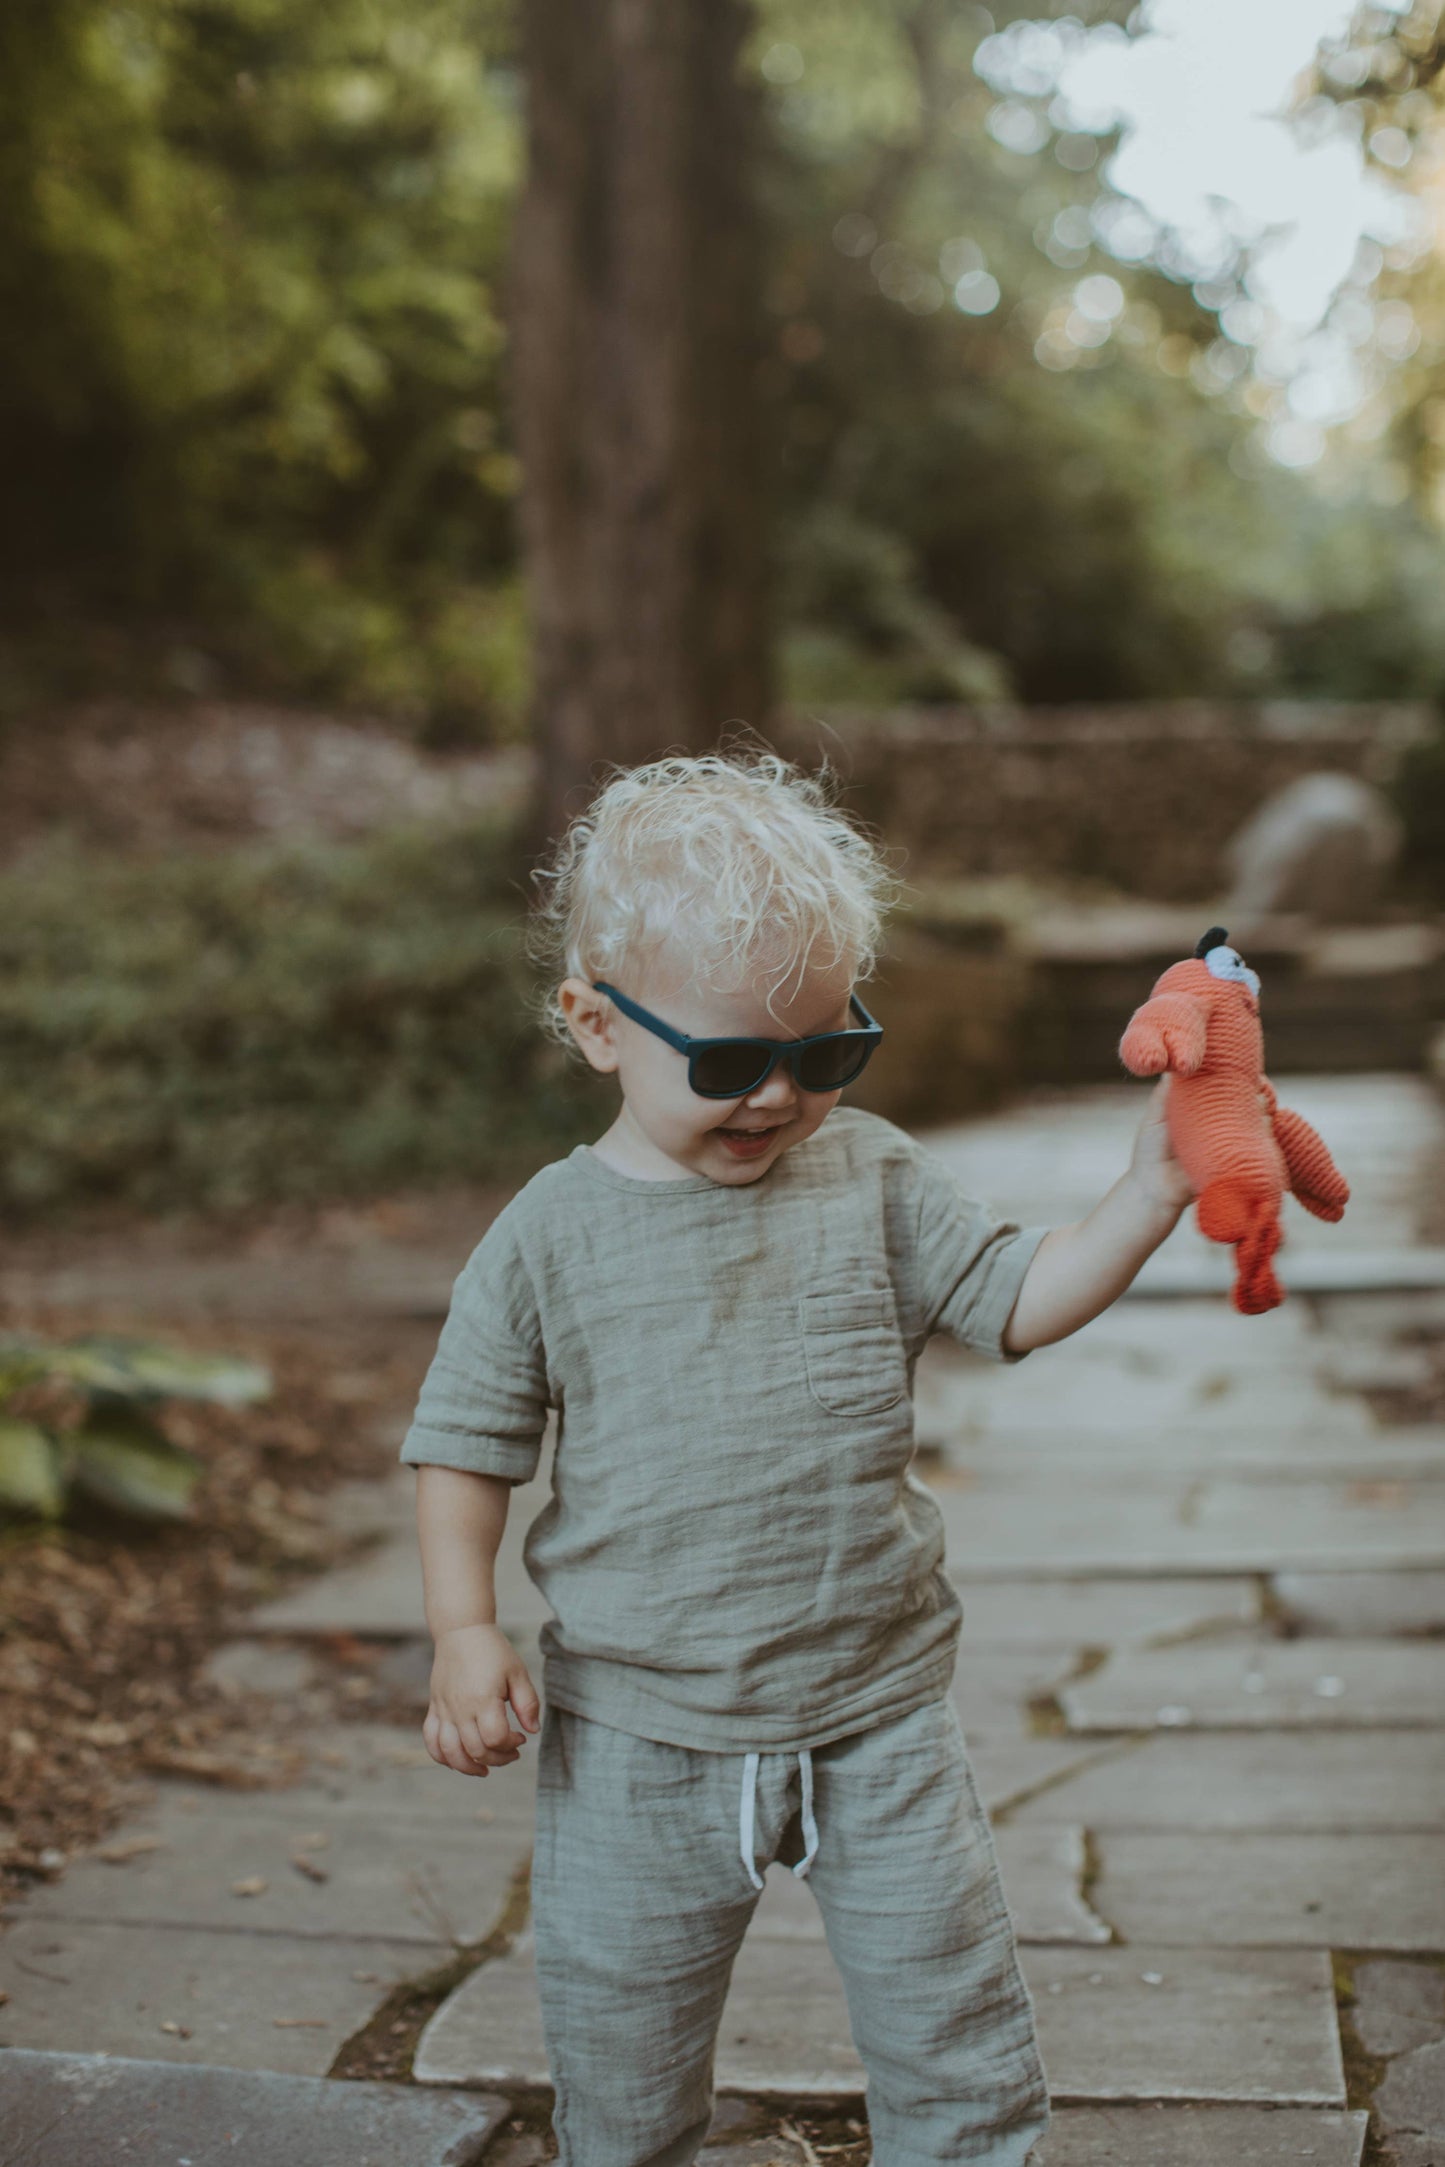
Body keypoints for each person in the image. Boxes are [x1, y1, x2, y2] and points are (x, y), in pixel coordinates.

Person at [401, 748, 1193, 2166]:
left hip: (875, 1705)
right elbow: (463, 1445)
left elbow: (1013, 1296)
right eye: (725, 1062)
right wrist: (463, 1632)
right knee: (622, 2040)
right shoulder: (546, 1237)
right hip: (638, 1724)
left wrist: (1145, 1195)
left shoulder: (872, 1177)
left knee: (949, 2026)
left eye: (825, 1053)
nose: (775, 1096)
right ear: (595, 1025)